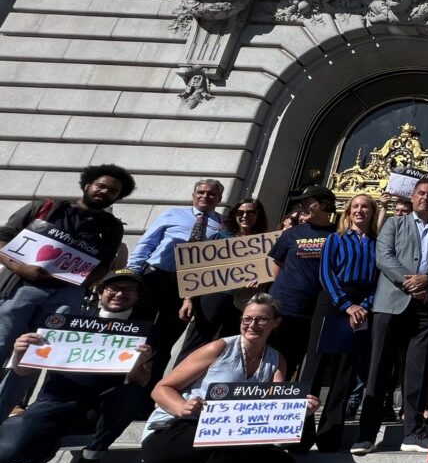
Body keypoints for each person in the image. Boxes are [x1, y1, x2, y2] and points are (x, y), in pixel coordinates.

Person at [139, 293, 318, 463]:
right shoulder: (219, 348)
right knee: (238, 437)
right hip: (172, 433)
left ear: (276, 322)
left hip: (226, 439)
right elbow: (162, 388)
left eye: (261, 320)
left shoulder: (276, 361)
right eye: (247, 319)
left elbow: (275, 409)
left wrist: (300, 411)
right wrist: (182, 407)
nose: (252, 325)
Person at [0, 164, 135, 416]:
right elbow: (3, 236)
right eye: (101, 185)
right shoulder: (45, 208)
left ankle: (5, 410)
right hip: (21, 287)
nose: (105, 192)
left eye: (113, 190)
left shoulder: (112, 227)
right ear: (87, 185)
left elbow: (102, 266)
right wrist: (20, 268)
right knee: (2, 343)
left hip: (66, 296)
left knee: (34, 357)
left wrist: (80, 280)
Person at [1, 269, 154, 463]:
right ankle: (38, 456)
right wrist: (19, 352)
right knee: (6, 452)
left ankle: (91, 457)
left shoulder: (142, 332)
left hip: (99, 405)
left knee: (133, 395)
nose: (120, 294)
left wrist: (138, 363)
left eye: (129, 290)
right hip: (54, 400)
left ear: (138, 296)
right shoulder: (68, 321)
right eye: (114, 288)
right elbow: (22, 371)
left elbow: (141, 381)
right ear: (100, 292)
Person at [352, 178, 428, 455]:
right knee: (379, 368)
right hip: (391, 305)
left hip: (425, 308)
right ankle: (366, 434)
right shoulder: (394, 224)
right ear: (413, 196)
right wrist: (410, 284)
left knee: (416, 372)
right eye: (421, 193)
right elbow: (384, 257)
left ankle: (413, 432)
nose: (426, 198)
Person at [128, 178, 224, 393]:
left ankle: (148, 394)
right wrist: (132, 276)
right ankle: (121, 386)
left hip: (185, 289)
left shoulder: (222, 224)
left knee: (164, 342)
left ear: (219, 198)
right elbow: (147, 243)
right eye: (201, 192)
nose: (205, 196)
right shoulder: (172, 214)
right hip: (154, 278)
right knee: (136, 333)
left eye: (211, 194)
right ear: (193, 195)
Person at [305, 194, 381, 452]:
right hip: (333, 303)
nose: (360, 211)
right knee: (316, 366)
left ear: (372, 213)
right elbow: (326, 274)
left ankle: (330, 434)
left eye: (366, 207)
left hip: (360, 307)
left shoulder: (375, 243)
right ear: (348, 212)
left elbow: (376, 281)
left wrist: (365, 306)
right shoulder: (335, 239)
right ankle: (301, 434)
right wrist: (347, 305)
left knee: (345, 370)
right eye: (356, 207)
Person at [178, 198, 269, 355]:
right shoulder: (220, 237)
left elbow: (269, 271)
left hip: (242, 303)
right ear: (234, 215)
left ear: (258, 215)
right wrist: (188, 300)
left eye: (251, 212)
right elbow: (197, 270)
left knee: (227, 349)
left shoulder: (264, 244)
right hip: (213, 298)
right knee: (196, 346)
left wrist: (259, 280)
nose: (245, 216)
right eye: (240, 212)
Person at [268, 185, 337, 381]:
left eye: (308, 202)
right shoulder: (291, 234)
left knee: (299, 361)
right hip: (285, 306)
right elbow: (277, 264)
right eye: (302, 203)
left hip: (315, 310)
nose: (303, 206)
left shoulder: (337, 235)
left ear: (324, 205)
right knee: (274, 362)